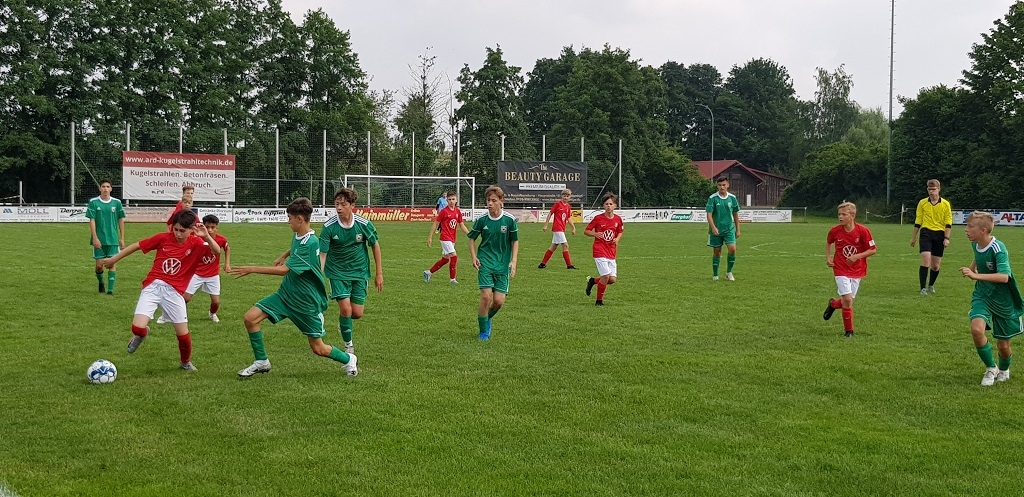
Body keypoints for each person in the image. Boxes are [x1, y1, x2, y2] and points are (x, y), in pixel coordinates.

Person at [229, 197, 358, 378]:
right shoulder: (300, 235)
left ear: (299, 219)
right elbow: (295, 247)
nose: (288, 221)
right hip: (286, 295)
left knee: (318, 348)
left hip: (306, 302)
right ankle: (261, 361)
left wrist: (251, 269)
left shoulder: (311, 243)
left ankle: (349, 359)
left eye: (289, 218)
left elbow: (284, 271)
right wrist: (284, 255)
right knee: (250, 319)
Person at [99, 209, 220, 371]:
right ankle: (142, 334)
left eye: (182, 231)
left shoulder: (197, 243)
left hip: (174, 292)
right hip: (153, 287)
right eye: (175, 229)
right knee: (137, 328)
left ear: (192, 229)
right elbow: (136, 245)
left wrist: (206, 237)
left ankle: (185, 362)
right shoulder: (163, 238)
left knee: (183, 336)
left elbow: (216, 251)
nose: (178, 234)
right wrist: (114, 259)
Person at [959, 211, 1024, 386]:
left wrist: (975, 275)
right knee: (976, 330)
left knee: (1003, 346)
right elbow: (978, 257)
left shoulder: (998, 248)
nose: (966, 230)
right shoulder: (976, 244)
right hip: (983, 295)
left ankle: (1004, 369)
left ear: (983, 231)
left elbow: (1004, 276)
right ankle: (990, 368)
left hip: (1003, 299)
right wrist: (972, 267)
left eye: (970, 227)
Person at [320, 188, 384, 355]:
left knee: (357, 313)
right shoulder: (329, 227)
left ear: (352, 205)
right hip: (337, 273)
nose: (339, 208)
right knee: (346, 309)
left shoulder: (363, 224)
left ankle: (344, 322)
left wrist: (379, 274)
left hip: (359, 272)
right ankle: (349, 347)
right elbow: (323, 254)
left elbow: (375, 246)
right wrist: (318, 276)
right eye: (336, 204)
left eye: (343, 204)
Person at [467, 186, 519, 340]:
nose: (490, 203)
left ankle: (486, 318)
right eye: (488, 200)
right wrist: (474, 257)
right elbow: (471, 239)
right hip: (485, 262)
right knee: (486, 297)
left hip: (502, 265)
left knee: (498, 301)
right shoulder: (482, 220)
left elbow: (515, 241)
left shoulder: (509, 220)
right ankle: (483, 332)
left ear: (501, 201)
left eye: (494, 200)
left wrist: (513, 261)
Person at [823, 201, 877, 338]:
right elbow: (829, 242)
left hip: (857, 270)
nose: (840, 217)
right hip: (840, 268)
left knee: (848, 301)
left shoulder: (863, 231)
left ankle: (833, 304)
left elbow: (873, 250)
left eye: (843, 214)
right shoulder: (835, 230)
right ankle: (849, 331)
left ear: (852, 216)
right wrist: (828, 257)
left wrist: (857, 256)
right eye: (839, 214)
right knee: (847, 299)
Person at [183, 214, 231, 323]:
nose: (210, 230)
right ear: (203, 226)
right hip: (196, 273)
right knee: (186, 298)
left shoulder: (221, 239)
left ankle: (212, 313)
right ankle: (172, 313)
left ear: (217, 227)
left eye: (213, 227)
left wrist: (227, 263)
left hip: (213, 274)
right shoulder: (196, 238)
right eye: (207, 227)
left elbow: (227, 248)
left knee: (216, 302)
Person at [910, 179, 953, 295]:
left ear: (939, 189)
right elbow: (918, 220)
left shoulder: (945, 204)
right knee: (926, 259)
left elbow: (948, 222)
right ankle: (922, 288)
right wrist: (913, 237)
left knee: (935, 266)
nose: (931, 192)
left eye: (933, 189)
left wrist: (947, 238)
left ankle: (931, 285)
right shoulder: (922, 203)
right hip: (926, 233)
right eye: (929, 189)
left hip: (939, 234)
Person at [584, 192, 624, 306]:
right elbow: (586, 231)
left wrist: (617, 239)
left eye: (611, 204)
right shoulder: (598, 218)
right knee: (605, 276)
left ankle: (592, 281)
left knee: (612, 280)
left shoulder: (618, 219)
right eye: (606, 204)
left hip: (611, 251)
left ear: (615, 206)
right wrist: (595, 234)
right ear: (603, 206)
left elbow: (620, 231)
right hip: (599, 250)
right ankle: (599, 301)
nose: (608, 206)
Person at [87, 180, 126, 295]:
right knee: (99, 266)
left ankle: (110, 291)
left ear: (111, 189)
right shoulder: (93, 202)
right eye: (103, 186)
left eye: (108, 186)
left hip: (113, 239)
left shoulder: (117, 203)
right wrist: (95, 238)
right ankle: (101, 282)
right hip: (99, 239)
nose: (105, 188)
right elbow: (92, 220)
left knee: (112, 263)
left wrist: (122, 238)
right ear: (100, 188)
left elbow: (121, 220)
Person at [425, 191, 470, 284]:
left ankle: (428, 273)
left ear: (456, 200)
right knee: (454, 256)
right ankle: (452, 279)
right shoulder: (444, 211)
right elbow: (435, 224)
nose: (451, 201)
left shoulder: (457, 211)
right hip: (445, 238)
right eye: (449, 199)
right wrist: (430, 237)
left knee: (445, 259)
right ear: (447, 200)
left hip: (452, 238)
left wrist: (469, 234)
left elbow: (461, 225)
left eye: (453, 199)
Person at [706, 176, 741, 281]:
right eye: (720, 185)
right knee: (717, 252)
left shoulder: (732, 198)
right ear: (717, 186)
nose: (722, 187)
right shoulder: (712, 198)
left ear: (728, 185)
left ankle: (729, 272)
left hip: (729, 229)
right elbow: (709, 215)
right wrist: (713, 227)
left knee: (732, 249)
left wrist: (738, 229)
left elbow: (735, 214)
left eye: (724, 185)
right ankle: (715, 275)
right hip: (716, 230)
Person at [538, 188, 578, 270]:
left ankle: (542, 264)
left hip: (562, 228)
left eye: (567, 196)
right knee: (565, 246)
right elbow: (550, 213)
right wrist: (546, 225)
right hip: (557, 228)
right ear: (561, 196)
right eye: (564, 196)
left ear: (570, 197)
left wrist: (573, 228)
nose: (565, 197)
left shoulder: (568, 206)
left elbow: (568, 218)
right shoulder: (557, 204)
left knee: (553, 246)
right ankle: (569, 265)